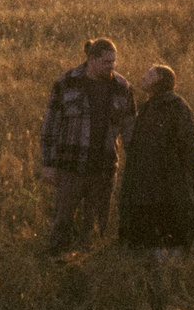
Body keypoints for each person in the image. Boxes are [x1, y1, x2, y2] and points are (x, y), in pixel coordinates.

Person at [38, 37, 136, 254]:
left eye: (114, 62)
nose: (112, 66)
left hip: (103, 168)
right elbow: (50, 126)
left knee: (96, 224)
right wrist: (49, 164)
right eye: (106, 62)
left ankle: (88, 266)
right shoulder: (67, 82)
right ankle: (57, 261)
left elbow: (130, 129)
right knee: (62, 220)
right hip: (70, 167)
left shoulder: (122, 87)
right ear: (91, 59)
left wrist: (136, 161)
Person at [114, 63, 194, 258]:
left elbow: (189, 138)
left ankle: (171, 257)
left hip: (168, 174)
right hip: (148, 176)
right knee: (152, 212)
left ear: (160, 81)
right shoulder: (151, 105)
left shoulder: (175, 106)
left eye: (149, 76)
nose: (143, 78)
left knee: (168, 212)